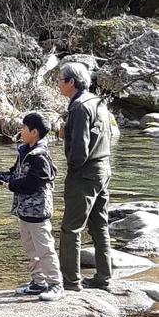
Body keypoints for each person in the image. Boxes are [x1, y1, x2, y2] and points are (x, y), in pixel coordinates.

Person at [0, 112, 64, 301]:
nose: (21, 130)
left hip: (38, 212)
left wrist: (10, 185)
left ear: (34, 132)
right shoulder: (25, 151)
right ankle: (38, 283)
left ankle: (56, 285)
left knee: (45, 249)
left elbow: (33, 183)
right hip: (24, 212)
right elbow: (13, 174)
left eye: (24, 127)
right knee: (30, 249)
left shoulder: (40, 156)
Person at [57, 61, 113, 291]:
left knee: (70, 229)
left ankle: (70, 281)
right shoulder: (98, 102)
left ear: (71, 82)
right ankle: (103, 278)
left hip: (84, 174)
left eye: (60, 80)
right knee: (100, 226)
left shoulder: (79, 107)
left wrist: (72, 170)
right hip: (103, 169)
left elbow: (80, 149)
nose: (58, 84)